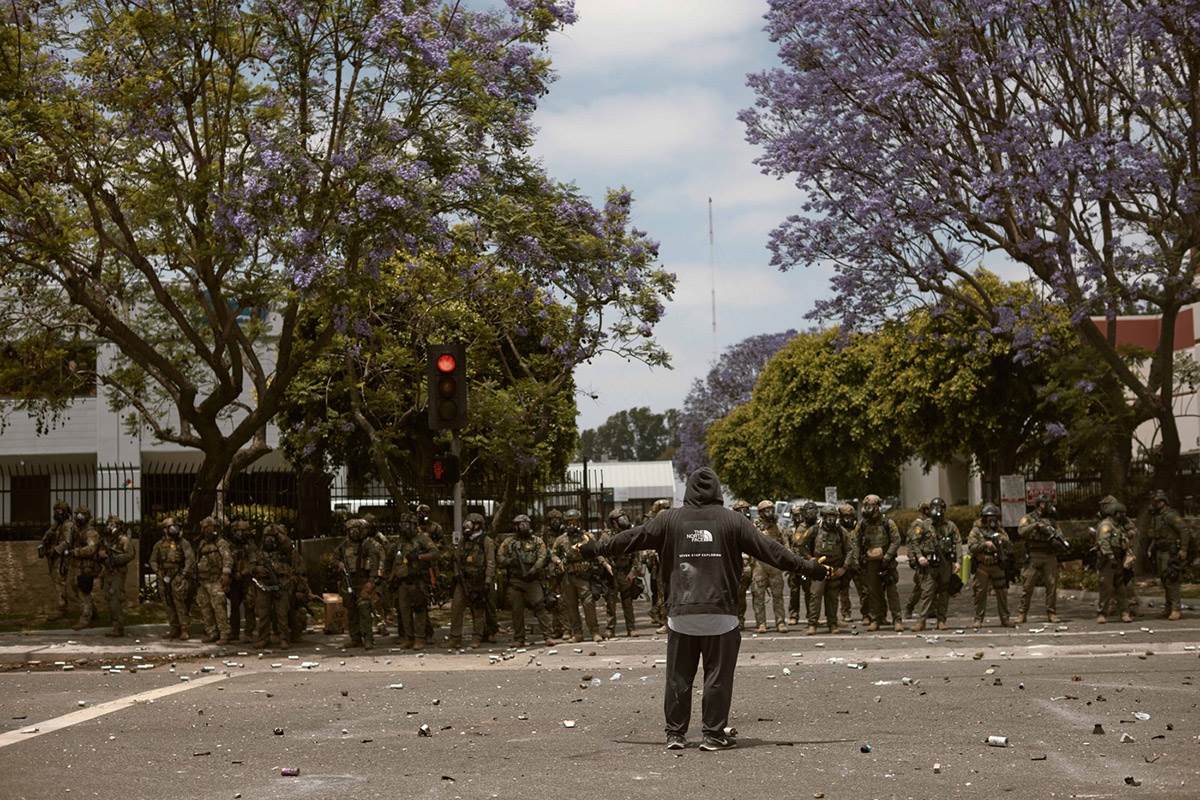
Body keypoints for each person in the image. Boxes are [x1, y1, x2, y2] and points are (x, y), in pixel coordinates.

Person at [577, 467, 831, 751]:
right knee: (717, 677)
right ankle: (713, 734)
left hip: (681, 615)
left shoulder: (669, 519)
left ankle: (675, 734)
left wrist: (594, 548)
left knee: (678, 677)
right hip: (721, 615)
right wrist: (811, 568)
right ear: (718, 491)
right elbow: (772, 551)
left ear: (688, 490)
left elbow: (630, 539)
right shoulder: (734, 521)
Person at [498, 513, 556, 647]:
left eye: (524, 524)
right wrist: (510, 561)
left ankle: (548, 636)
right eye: (519, 525)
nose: (522, 527)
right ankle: (519, 638)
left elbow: (542, 557)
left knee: (540, 606)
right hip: (515, 580)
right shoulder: (509, 542)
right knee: (516, 610)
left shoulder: (537, 541)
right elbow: (500, 557)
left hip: (532, 580)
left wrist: (534, 569)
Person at [553, 508, 608, 643]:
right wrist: (558, 561)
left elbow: (597, 552)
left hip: (584, 575)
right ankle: (577, 633)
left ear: (579, 522)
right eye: (569, 522)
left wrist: (605, 563)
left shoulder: (588, 537)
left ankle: (594, 631)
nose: (572, 524)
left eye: (575, 521)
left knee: (588, 604)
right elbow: (553, 554)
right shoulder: (561, 539)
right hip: (568, 576)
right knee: (571, 606)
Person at [852, 494, 903, 632]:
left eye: (870, 506)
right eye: (866, 506)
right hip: (870, 563)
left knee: (892, 591)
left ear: (877, 507)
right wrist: (856, 558)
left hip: (886, 562)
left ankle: (897, 619)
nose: (867, 508)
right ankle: (875, 619)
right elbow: (855, 541)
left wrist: (887, 556)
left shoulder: (888, 523)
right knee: (873, 592)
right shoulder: (862, 524)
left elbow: (896, 540)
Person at [909, 497, 961, 631]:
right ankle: (921, 621)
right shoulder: (924, 525)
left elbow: (958, 543)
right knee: (927, 592)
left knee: (944, 592)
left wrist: (958, 561)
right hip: (930, 564)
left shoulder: (950, 526)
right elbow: (914, 542)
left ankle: (941, 620)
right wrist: (919, 557)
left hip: (945, 563)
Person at [387, 511, 436, 649]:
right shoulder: (399, 542)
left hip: (418, 580)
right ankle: (409, 637)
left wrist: (419, 557)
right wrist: (389, 576)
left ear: (414, 525)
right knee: (404, 611)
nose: (405, 527)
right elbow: (390, 559)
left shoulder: (422, 539)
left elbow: (435, 553)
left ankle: (420, 638)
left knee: (419, 609)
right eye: (403, 524)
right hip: (402, 581)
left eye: (407, 524)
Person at [803, 504, 854, 635]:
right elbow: (801, 545)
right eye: (828, 516)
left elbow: (850, 550)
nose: (831, 519)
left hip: (835, 569)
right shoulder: (814, 530)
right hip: (819, 568)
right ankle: (812, 624)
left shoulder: (841, 531)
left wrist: (844, 567)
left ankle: (832, 624)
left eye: (833, 516)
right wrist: (810, 559)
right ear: (823, 517)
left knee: (832, 597)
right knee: (815, 595)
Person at [334, 518, 384, 649]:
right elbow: (334, 557)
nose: (353, 533)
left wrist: (371, 581)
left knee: (364, 610)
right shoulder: (344, 546)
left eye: (356, 530)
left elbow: (375, 564)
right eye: (351, 530)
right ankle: (355, 638)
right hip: (349, 581)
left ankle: (368, 639)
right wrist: (338, 563)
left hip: (363, 580)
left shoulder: (369, 545)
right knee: (351, 611)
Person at [450, 512, 495, 648]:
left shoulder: (486, 541)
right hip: (463, 580)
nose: (467, 526)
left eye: (472, 523)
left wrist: (488, 580)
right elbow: (456, 559)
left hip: (479, 580)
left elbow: (490, 562)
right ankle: (455, 637)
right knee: (456, 607)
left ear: (478, 525)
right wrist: (457, 574)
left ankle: (477, 636)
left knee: (478, 610)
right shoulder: (463, 541)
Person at [1017, 494, 1063, 623]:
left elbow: (1060, 534)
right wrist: (1035, 525)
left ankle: (1051, 613)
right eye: (1047, 503)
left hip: (1049, 555)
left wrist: (1058, 542)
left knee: (1052, 585)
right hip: (1034, 555)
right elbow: (1021, 531)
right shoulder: (1028, 518)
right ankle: (1022, 613)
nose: (1049, 506)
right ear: (1040, 504)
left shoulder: (1052, 520)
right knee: (1027, 586)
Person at [1146, 489, 1190, 621]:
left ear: (1162, 502)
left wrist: (1183, 549)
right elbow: (1156, 535)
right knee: (1164, 580)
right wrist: (1151, 548)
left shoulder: (1170, 515)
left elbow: (1184, 530)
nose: (1154, 504)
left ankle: (1176, 609)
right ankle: (1168, 607)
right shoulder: (1157, 517)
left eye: (1156, 502)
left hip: (1170, 552)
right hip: (1160, 550)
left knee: (1172, 579)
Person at [967, 504, 1013, 629]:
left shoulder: (1000, 530)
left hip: (997, 565)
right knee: (980, 593)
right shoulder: (977, 530)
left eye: (994, 517)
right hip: (982, 566)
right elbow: (971, 546)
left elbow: (1009, 545)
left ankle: (1005, 618)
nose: (991, 520)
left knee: (1002, 593)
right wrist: (985, 544)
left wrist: (1000, 540)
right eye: (989, 517)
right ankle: (978, 619)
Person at [149, 517, 195, 640]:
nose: (174, 529)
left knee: (180, 603)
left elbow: (190, 560)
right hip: (164, 576)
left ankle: (184, 629)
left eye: (175, 526)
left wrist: (183, 575)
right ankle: (174, 628)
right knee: (167, 603)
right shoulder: (159, 545)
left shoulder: (183, 543)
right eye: (170, 527)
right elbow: (153, 560)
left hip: (178, 576)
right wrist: (158, 571)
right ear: (165, 529)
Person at [1095, 496, 1136, 624]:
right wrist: (1110, 556)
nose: (1123, 515)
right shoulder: (1106, 525)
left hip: (1119, 558)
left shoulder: (1119, 525)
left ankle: (1125, 612)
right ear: (1114, 513)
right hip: (1108, 560)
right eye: (1120, 513)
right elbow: (1104, 542)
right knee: (1106, 587)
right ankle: (1102, 613)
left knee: (1121, 587)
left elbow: (1131, 533)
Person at [252, 523, 294, 649]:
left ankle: (284, 639)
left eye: (272, 537)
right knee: (263, 614)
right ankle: (263, 639)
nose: (269, 540)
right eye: (266, 537)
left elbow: (288, 545)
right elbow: (251, 566)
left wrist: (277, 533)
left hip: (281, 584)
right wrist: (257, 569)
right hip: (263, 586)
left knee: (281, 614)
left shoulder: (284, 551)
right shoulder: (259, 552)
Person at [194, 516, 233, 644]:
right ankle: (212, 632)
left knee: (219, 607)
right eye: (205, 528)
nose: (207, 530)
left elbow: (227, 559)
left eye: (209, 527)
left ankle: (224, 634)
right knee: (205, 608)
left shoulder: (221, 543)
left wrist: (226, 574)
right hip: (203, 581)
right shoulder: (202, 543)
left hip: (215, 580)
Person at [601, 507, 640, 638]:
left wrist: (633, 571)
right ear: (613, 522)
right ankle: (610, 629)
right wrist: (605, 564)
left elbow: (636, 555)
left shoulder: (630, 534)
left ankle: (631, 628)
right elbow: (599, 552)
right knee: (610, 603)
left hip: (625, 572)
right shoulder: (606, 536)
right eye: (620, 519)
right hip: (611, 573)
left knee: (627, 602)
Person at [751, 500, 789, 633]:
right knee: (758, 595)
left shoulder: (778, 527)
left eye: (771, 510)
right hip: (759, 565)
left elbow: (786, 545)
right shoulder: (754, 528)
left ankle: (780, 622)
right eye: (766, 510)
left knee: (778, 596)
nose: (770, 513)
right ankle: (761, 623)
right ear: (761, 513)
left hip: (775, 565)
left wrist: (787, 561)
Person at [98, 515, 134, 637]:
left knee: (115, 599)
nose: (109, 527)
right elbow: (99, 552)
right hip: (107, 572)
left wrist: (114, 559)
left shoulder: (123, 540)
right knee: (109, 598)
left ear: (118, 527)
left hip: (117, 573)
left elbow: (130, 555)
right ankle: (115, 626)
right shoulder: (106, 540)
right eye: (108, 524)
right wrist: (101, 555)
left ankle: (118, 628)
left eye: (112, 525)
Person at [67, 506, 102, 631]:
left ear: (87, 517)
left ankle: (85, 619)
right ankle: (94, 614)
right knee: (76, 589)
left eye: (81, 515)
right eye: (77, 514)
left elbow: (91, 549)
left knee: (83, 592)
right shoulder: (77, 531)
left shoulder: (90, 533)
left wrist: (76, 552)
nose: (78, 517)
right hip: (76, 566)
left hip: (86, 567)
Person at [39, 500, 75, 618]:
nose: (56, 513)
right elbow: (47, 536)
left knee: (60, 583)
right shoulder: (57, 525)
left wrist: (55, 550)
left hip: (62, 559)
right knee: (58, 583)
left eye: (59, 511)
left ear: (65, 512)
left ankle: (62, 608)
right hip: (54, 559)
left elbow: (67, 542)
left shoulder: (67, 525)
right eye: (55, 510)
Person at [225, 518, 258, 642]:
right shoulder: (230, 545)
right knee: (234, 606)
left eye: (243, 530)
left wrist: (243, 572)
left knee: (249, 605)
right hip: (234, 579)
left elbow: (253, 563)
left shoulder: (250, 545)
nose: (241, 533)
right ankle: (234, 632)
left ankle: (249, 633)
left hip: (247, 579)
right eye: (238, 530)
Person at [788, 501, 819, 625]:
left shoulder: (818, 526)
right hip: (798, 563)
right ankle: (794, 615)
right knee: (795, 591)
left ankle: (811, 616)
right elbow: (797, 544)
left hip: (811, 562)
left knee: (810, 591)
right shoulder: (800, 528)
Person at [904, 502, 932, 619]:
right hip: (920, 559)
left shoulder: (930, 522)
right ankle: (909, 607)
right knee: (921, 586)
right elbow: (912, 542)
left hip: (930, 558)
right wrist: (912, 558)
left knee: (932, 585)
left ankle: (931, 609)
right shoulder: (918, 524)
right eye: (927, 509)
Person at [731, 500, 756, 630]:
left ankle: (741, 619)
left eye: (746, 510)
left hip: (751, 565)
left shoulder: (753, 527)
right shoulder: (730, 527)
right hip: (735, 565)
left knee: (745, 595)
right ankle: (736, 619)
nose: (744, 513)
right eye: (741, 510)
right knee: (735, 594)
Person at [837, 502, 862, 622]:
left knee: (863, 590)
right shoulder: (838, 530)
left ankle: (866, 614)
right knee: (844, 591)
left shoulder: (859, 528)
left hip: (858, 564)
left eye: (850, 516)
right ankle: (846, 613)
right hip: (844, 565)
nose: (848, 519)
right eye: (845, 517)